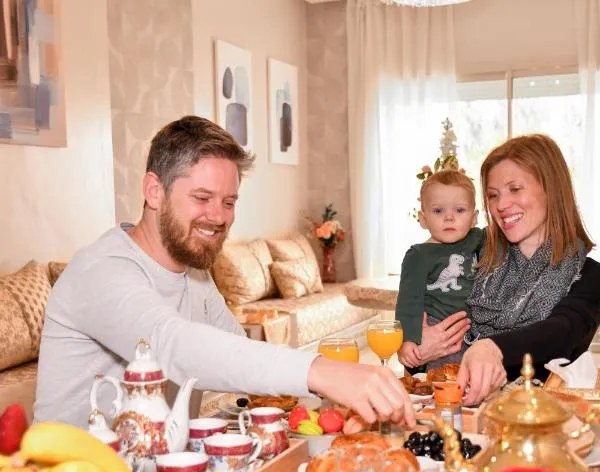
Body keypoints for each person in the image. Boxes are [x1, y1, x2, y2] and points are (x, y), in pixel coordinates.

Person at [34, 116, 414, 430]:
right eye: (202, 198)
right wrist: (323, 372)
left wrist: (325, 402)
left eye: (228, 202)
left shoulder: (195, 274)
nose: (218, 217)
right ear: (154, 191)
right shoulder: (101, 271)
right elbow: (174, 347)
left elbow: (240, 353)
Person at [413, 134, 600, 404]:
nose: (500, 205)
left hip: (539, 429)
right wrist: (420, 349)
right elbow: (421, 364)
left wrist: (492, 347)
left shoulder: (589, 275)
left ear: (551, 189)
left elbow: (562, 332)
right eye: (493, 195)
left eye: (515, 189)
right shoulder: (471, 259)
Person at [396, 169, 483, 370]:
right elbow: (409, 301)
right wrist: (408, 339)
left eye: (459, 210)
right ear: (423, 219)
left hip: (474, 329)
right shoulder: (419, 255)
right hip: (438, 326)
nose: (449, 218)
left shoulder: (476, 239)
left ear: (474, 217)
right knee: (445, 380)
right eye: (438, 211)